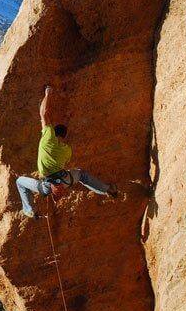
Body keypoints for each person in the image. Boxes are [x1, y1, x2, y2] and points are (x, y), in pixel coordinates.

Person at [15, 85, 118, 218]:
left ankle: (29, 210)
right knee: (82, 175)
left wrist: (47, 94)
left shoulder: (48, 137)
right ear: (64, 136)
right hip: (66, 180)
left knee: (20, 182)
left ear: (53, 131)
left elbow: (44, 113)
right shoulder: (67, 150)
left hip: (48, 185)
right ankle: (107, 190)